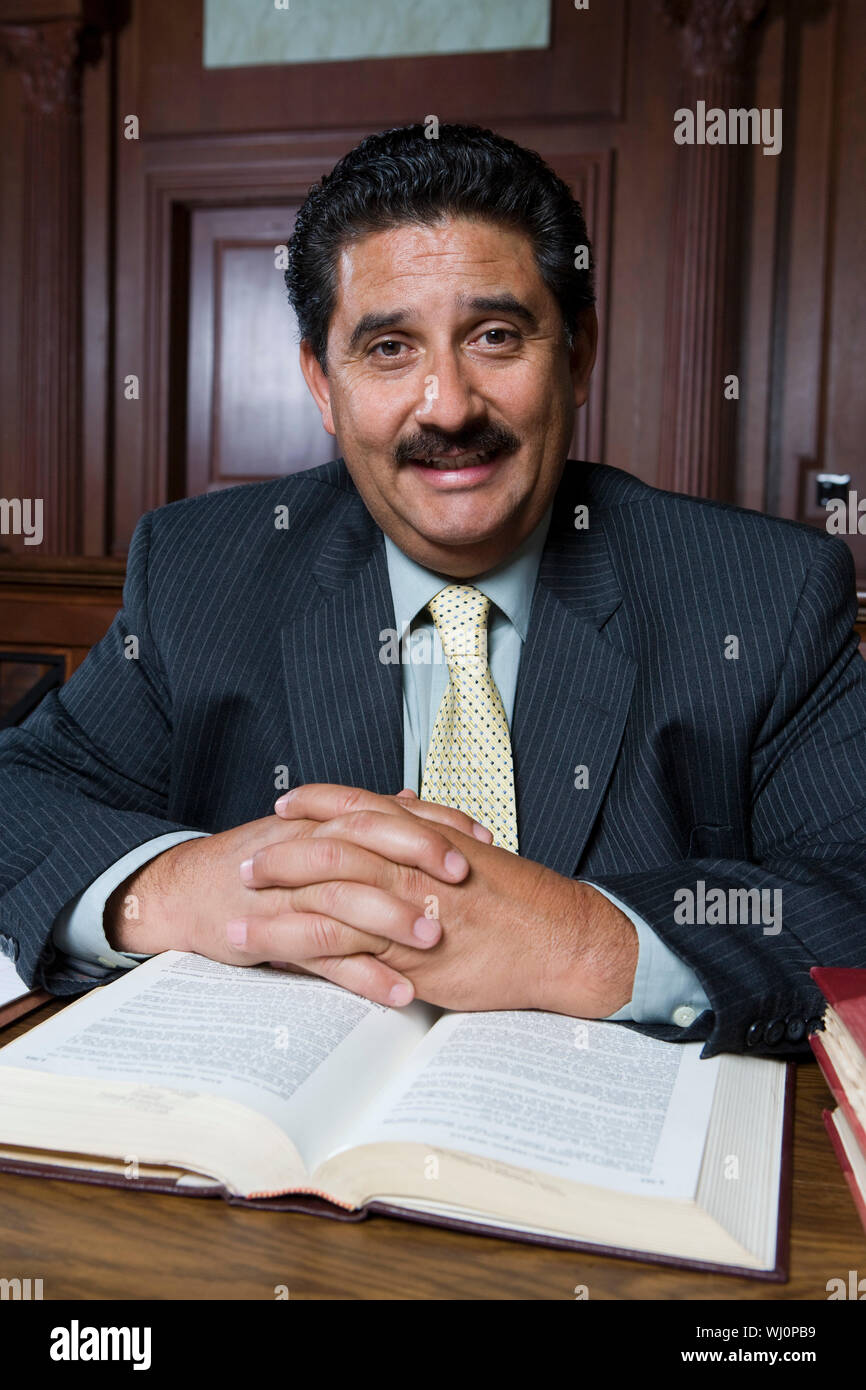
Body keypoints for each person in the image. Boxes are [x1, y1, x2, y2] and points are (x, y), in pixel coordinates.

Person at [1, 124, 864, 1060]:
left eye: (495, 336)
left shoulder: (762, 594)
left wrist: (578, 942)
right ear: (322, 386)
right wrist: (173, 887)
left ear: (578, 357)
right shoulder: (201, 571)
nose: (447, 405)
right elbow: (18, 796)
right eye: (387, 349)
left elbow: (851, 891)